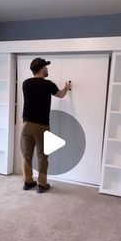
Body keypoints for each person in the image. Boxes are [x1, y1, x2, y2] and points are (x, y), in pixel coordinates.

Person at [21, 57, 71, 193]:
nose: (47, 69)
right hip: (41, 126)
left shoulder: (25, 83)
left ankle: (28, 182)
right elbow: (60, 95)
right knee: (42, 156)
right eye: (46, 67)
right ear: (42, 69)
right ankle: (42, 185)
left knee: (27, 156)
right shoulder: (48, 84)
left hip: (26, 125)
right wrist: (66, 88)